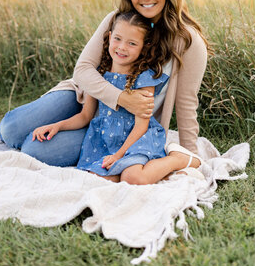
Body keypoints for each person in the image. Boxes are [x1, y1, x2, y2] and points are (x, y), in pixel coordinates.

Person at [0, 0, 208, 167]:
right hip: (83, 99)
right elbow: (83, 70)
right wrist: (122, 98)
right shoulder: (117, 20)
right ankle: (27, 126)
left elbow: (186, 103)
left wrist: (190, 155)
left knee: (32, 149)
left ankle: (62, 132)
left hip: (116, 128)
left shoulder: (188, 41)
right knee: (10, 130)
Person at [32, 11, 203, 184]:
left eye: (132, 43)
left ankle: (177, 159)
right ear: (109, 36)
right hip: (106, 141)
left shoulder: (144, 79)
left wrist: (119, 155)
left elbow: (141, 126)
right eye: (118, 39)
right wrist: (57, 126)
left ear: (144, 47)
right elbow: (85, 116)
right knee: (99, 179)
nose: (122, 47)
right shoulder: (99, 75)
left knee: (132, 177)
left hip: (137, 140)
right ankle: (164, 174)